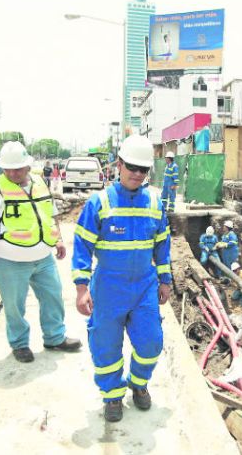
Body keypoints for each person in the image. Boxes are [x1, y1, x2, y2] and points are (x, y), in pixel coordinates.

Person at [72, 134, 173, 423]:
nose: (138, 174)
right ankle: (112, 396)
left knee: (151, 342)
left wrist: (165, 280)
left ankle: (138, 383)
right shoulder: (100, 202)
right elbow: (82, 246)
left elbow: (162, 244)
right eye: (132, 167)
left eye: (144, 169)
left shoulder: (154, 202)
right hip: (108, 288)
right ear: (119, 164)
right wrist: (81, 289)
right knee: (106, 345)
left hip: (144, 287)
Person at [0, 141, 81, 364]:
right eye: (8, 169)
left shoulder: (40, 182)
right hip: (8, 261)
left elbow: (50, 215)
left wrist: (58, 239)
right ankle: (20, 344)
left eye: (18, 169)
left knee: (53, 297)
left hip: (43, 258)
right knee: (14, 306)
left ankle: (54, 337)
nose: (12, 173)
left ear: (28, 166)